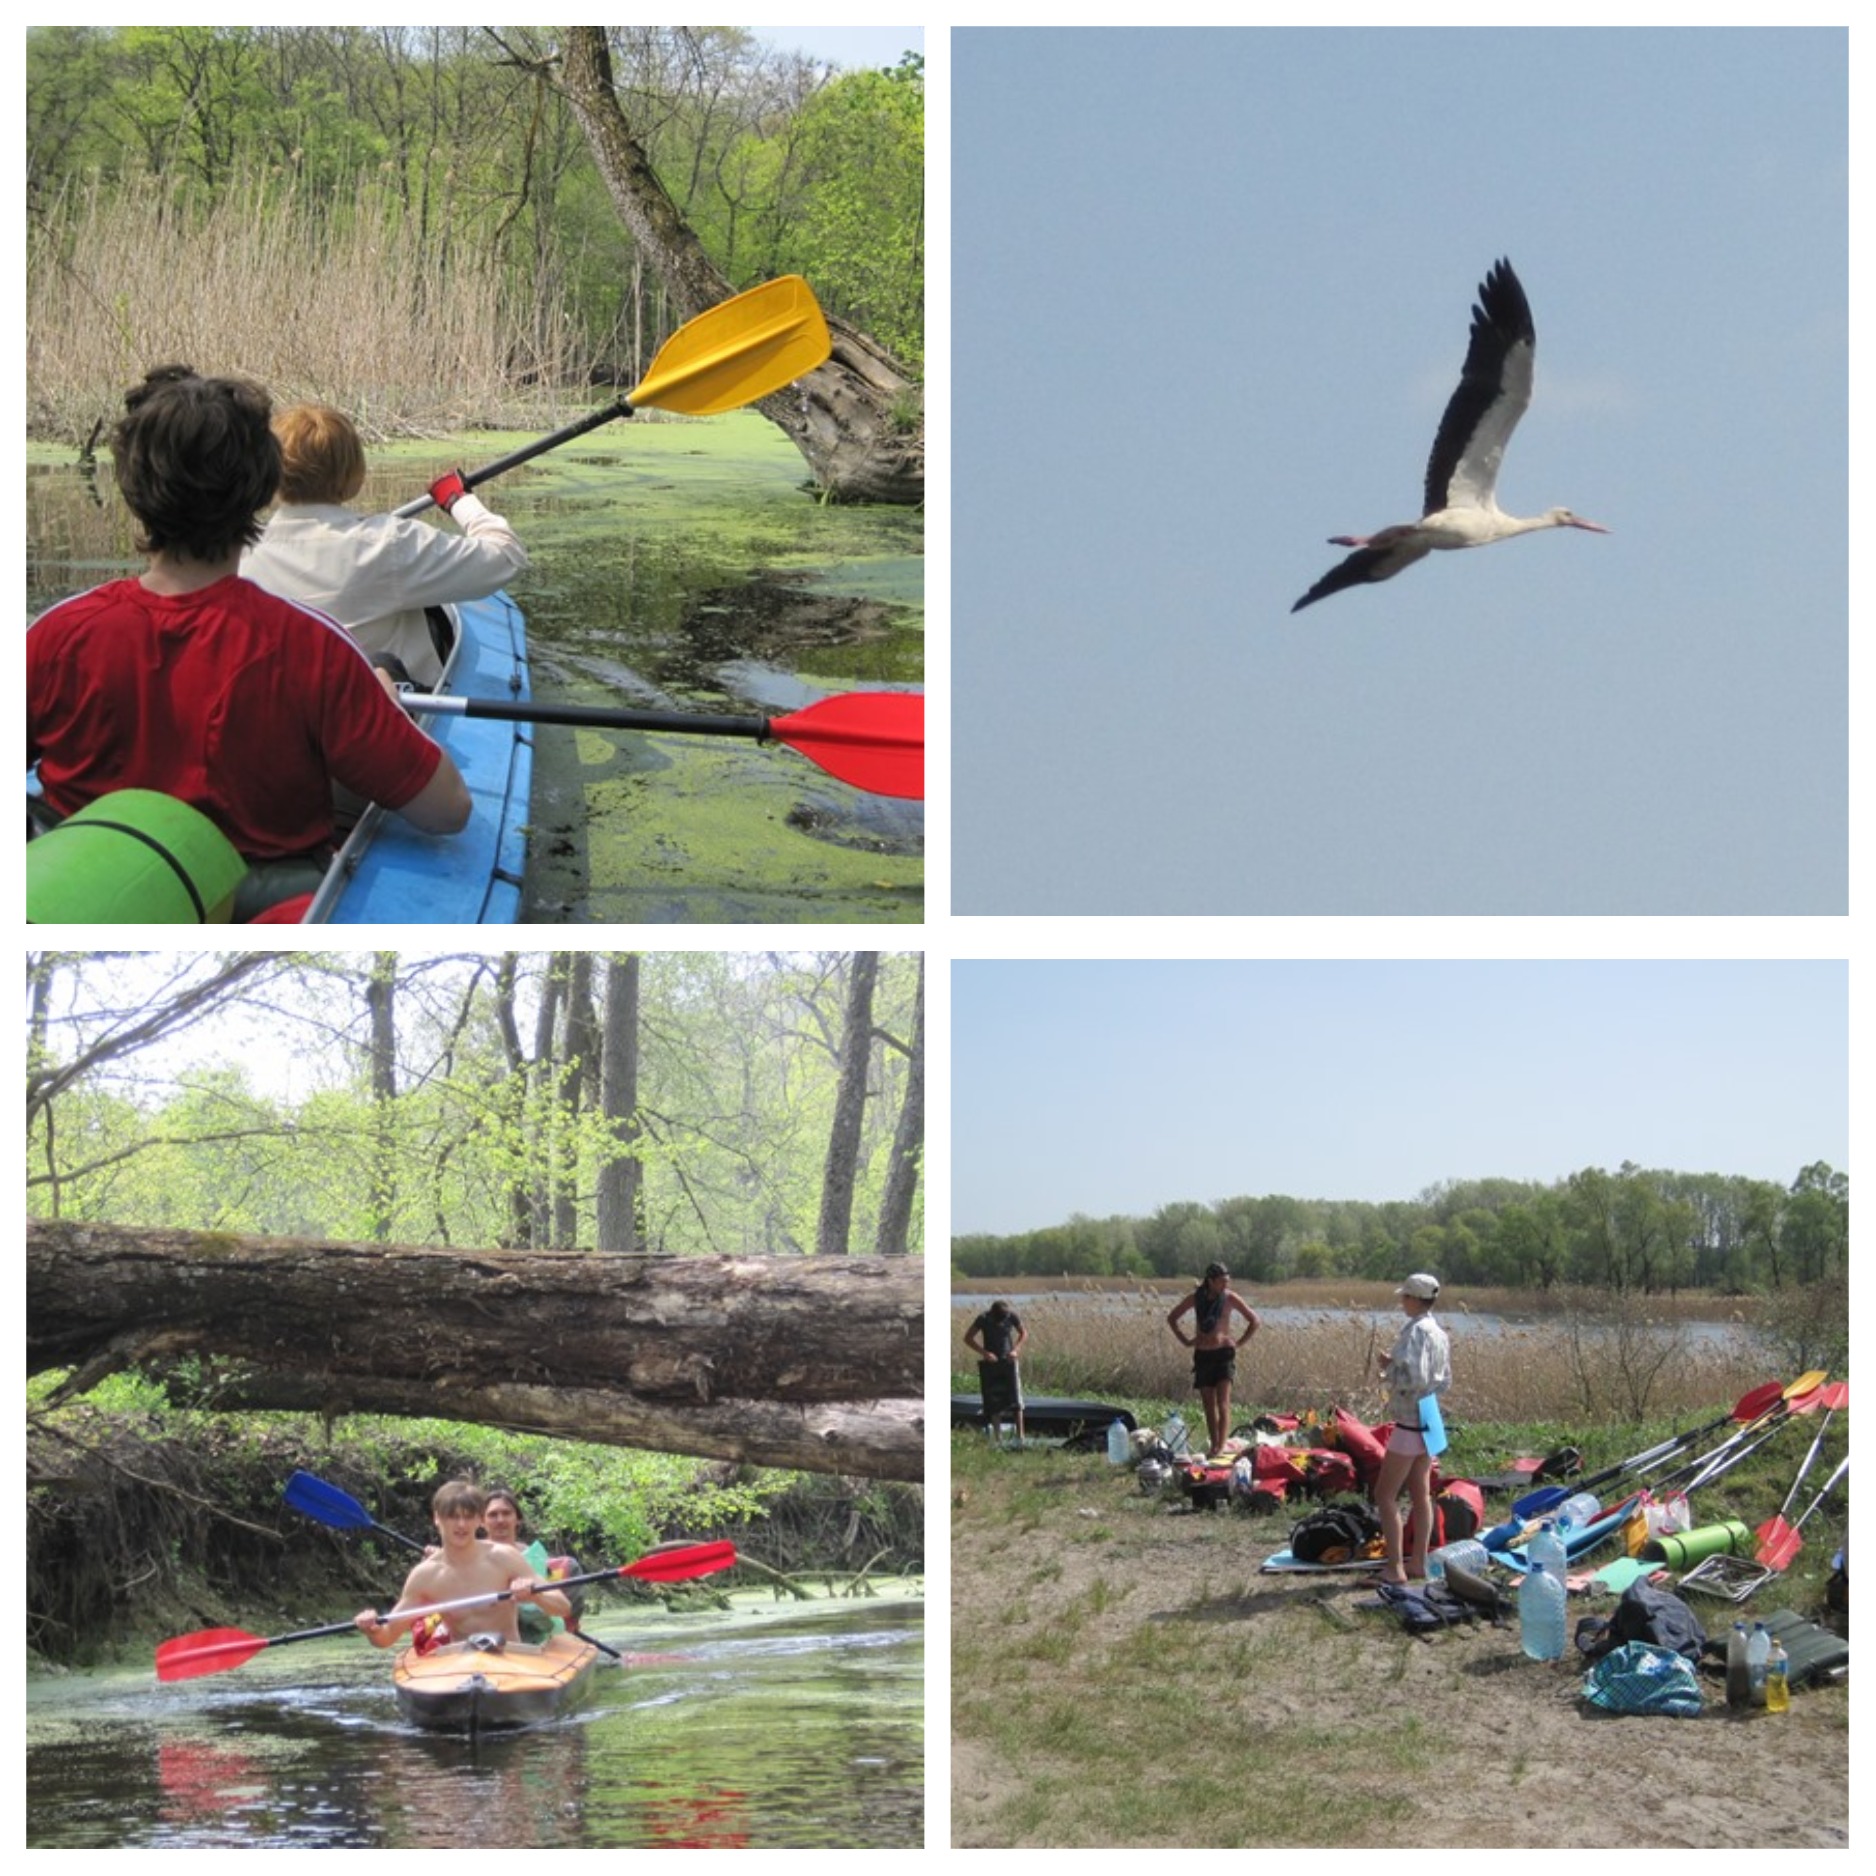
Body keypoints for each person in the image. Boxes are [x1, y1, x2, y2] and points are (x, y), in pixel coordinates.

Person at [27, 366, 471, 918]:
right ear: (262, 488)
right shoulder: (312, 648)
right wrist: (385, 704)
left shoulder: (53, 635)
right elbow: (447, 810)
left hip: (80, 899)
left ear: (133, 488)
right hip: (265, 905)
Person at [241, 403, 528, 688]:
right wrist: (459, 501)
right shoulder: (388, 545)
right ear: (354, 474)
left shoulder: (240, 556)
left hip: (286, 710)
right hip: (383, 711)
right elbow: (507, 556)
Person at [355, 1479, 565, 1650]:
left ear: (478, 1520)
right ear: (437, 1519)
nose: (461, 1525)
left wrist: (535, 1594)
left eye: (468, 1517)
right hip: (462, 1663)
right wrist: (372, 1629)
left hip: (509, 1658)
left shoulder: (504, 1557)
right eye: (453, 1517)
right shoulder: (425, 1576)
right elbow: (386, 1638)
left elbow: (563, 1607)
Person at [1372, 1272, 1453, 1585]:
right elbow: (1444, 1379)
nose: (1401, 1301)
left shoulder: (1417, 1331)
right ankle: (1418, 1561)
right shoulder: (1439, 1333)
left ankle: (1394, 1568)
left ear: (1416, 1299)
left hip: (1411, 1419)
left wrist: (1388, 1367)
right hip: (1431, 1414)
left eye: (1405, 1296)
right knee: (1421, 1493)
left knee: (1385, 1494)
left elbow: (1414, 1378)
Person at [1166, 1263, 1260, 1456]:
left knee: (1223, 1403)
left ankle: (1221, 1447)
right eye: (1221, 1282)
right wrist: (1185, 1340)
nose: (1225, 1285)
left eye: (1227, 1281)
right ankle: (1214, 1445)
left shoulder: (1230, 1299)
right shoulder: (1195, 1298)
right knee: (1208, 1404)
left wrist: (1239, 1342)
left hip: (1223, 1355)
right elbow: (1172, 1318)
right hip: (1203, 1356)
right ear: (1210, 1281)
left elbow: (1254, 1321)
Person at [480, 1485, 581, 1643]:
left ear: (517, 1519)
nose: (500, 1520)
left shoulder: (531, 1557)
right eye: (493, 1515)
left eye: (506, 1513)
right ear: (482, 1522)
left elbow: (564, 1607)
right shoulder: (471, 1553)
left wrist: (535, 1595)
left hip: (530, 1628)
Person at [964, 1299, 1028, 1443]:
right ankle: (998, 1438)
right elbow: (968, 1338)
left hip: (1009, 1362)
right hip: (991, 1363)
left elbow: (1023, 1333)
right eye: (998, 1319)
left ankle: (1020, 1438)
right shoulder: (983, 1318)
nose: (1000, 1322)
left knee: (1016, 1401)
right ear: (992, 1314)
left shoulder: (1012, 1316)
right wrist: (985, 1353)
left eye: (1002, 1319)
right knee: (993, 1401)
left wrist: (1016, 1350)